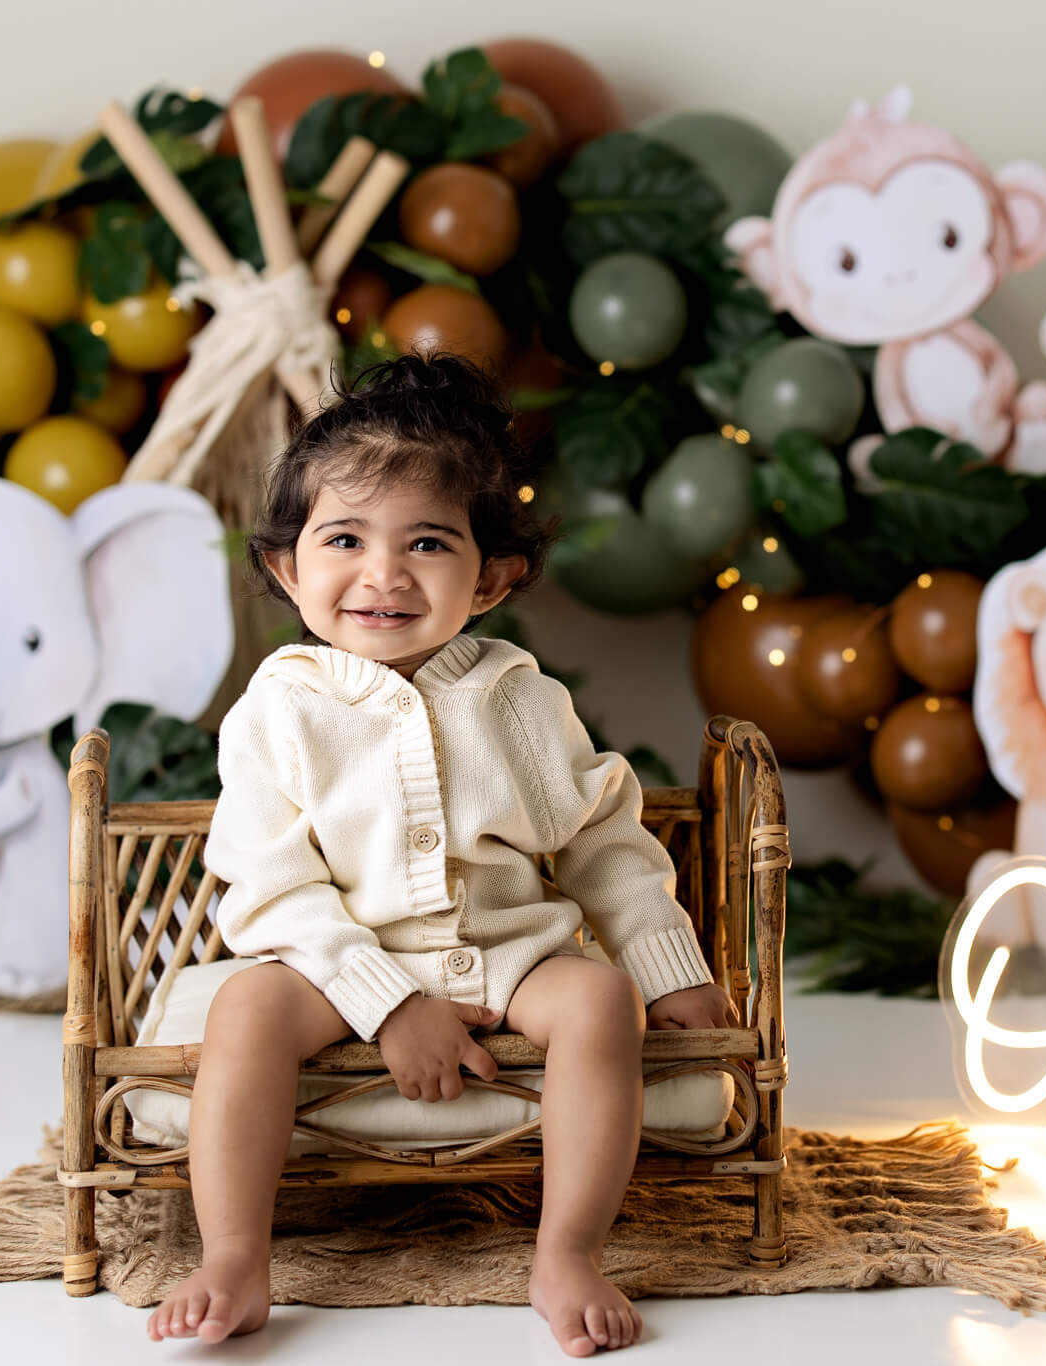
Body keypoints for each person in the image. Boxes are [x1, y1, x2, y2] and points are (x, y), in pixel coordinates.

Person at [145, 353, 736, 1356]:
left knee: (597, 1005)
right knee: (245, 1003)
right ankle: (237, 1257)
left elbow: (602, 841)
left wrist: (664, 965)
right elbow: (272, 886)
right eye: (343, 539)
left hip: (505, 949)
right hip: (332, 960)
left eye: (426, 542)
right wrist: (388, 1003)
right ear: (289, 568)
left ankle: (567, 1249)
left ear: (490, 576)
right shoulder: (281, 708)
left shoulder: (518, 697)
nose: (382, 574)